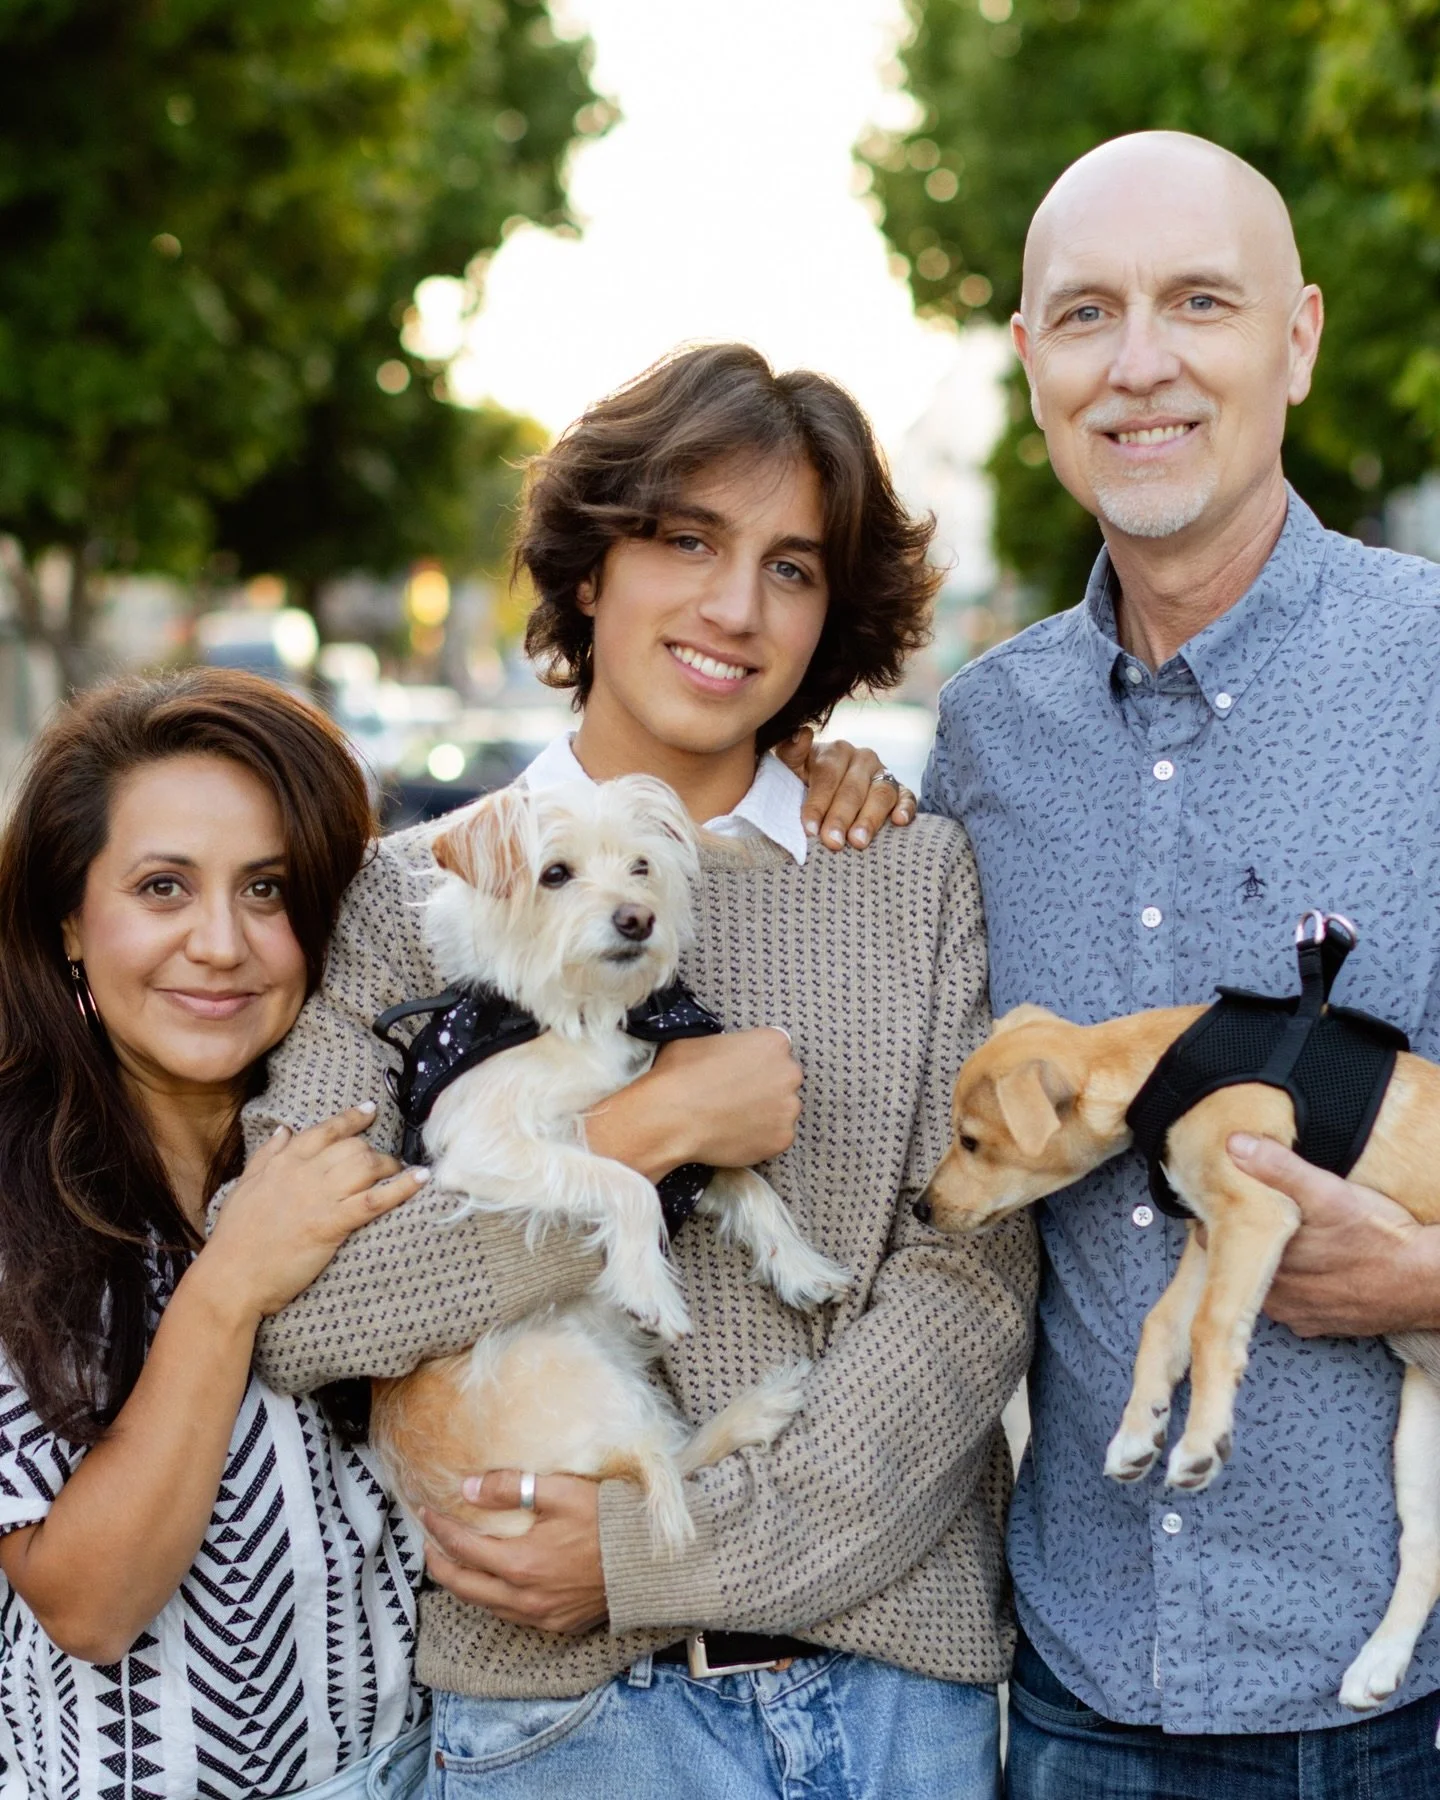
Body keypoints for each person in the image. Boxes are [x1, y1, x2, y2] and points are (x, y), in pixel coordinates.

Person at [234, 342, 1036, 1799]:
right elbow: (304, 1310)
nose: (736, 606)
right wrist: (644, 1129)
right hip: (564, 1729)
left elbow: (972, 1287)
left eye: (793, 569)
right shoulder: (409, 900)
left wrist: (662, 1550)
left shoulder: (912, 876)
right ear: (591, 566)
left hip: (891, 1705)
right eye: (687, 540)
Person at [922, 130, 1440, 1795]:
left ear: (1293, 339)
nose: (1138, 363)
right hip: (1073, 1698)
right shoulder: (988, 735)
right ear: (1033, 366)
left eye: (1195, 304)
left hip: (1400, 1705)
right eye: (1087, 316)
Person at [0, 670, 434, 1799]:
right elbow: (89, 1603)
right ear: (70, 926)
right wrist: (231, 1282)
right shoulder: (12, 1205)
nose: (222, 944)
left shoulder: (387, 1134)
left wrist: (804, 774)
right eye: (161, 888)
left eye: (269, 889)